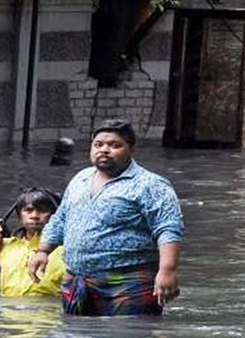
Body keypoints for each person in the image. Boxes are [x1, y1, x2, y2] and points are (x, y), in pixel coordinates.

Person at [30, 120, 184, 317]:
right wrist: (42, 251)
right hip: (78, 280)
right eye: (98, 144)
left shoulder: (151, 185)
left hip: (129, 281)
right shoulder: (81, 179)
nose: (104, 150)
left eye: (114, 145)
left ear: (131, 149)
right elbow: (61, 217)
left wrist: (167, 270)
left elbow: (168, 229)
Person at [0, 188, 66, 297]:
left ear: (56, 217)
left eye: (42, 210)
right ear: (19, 216)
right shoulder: (7, 244)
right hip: (10, 311)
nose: (34, 215)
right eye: (28, 210)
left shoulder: (65, 246)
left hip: (50, 310)